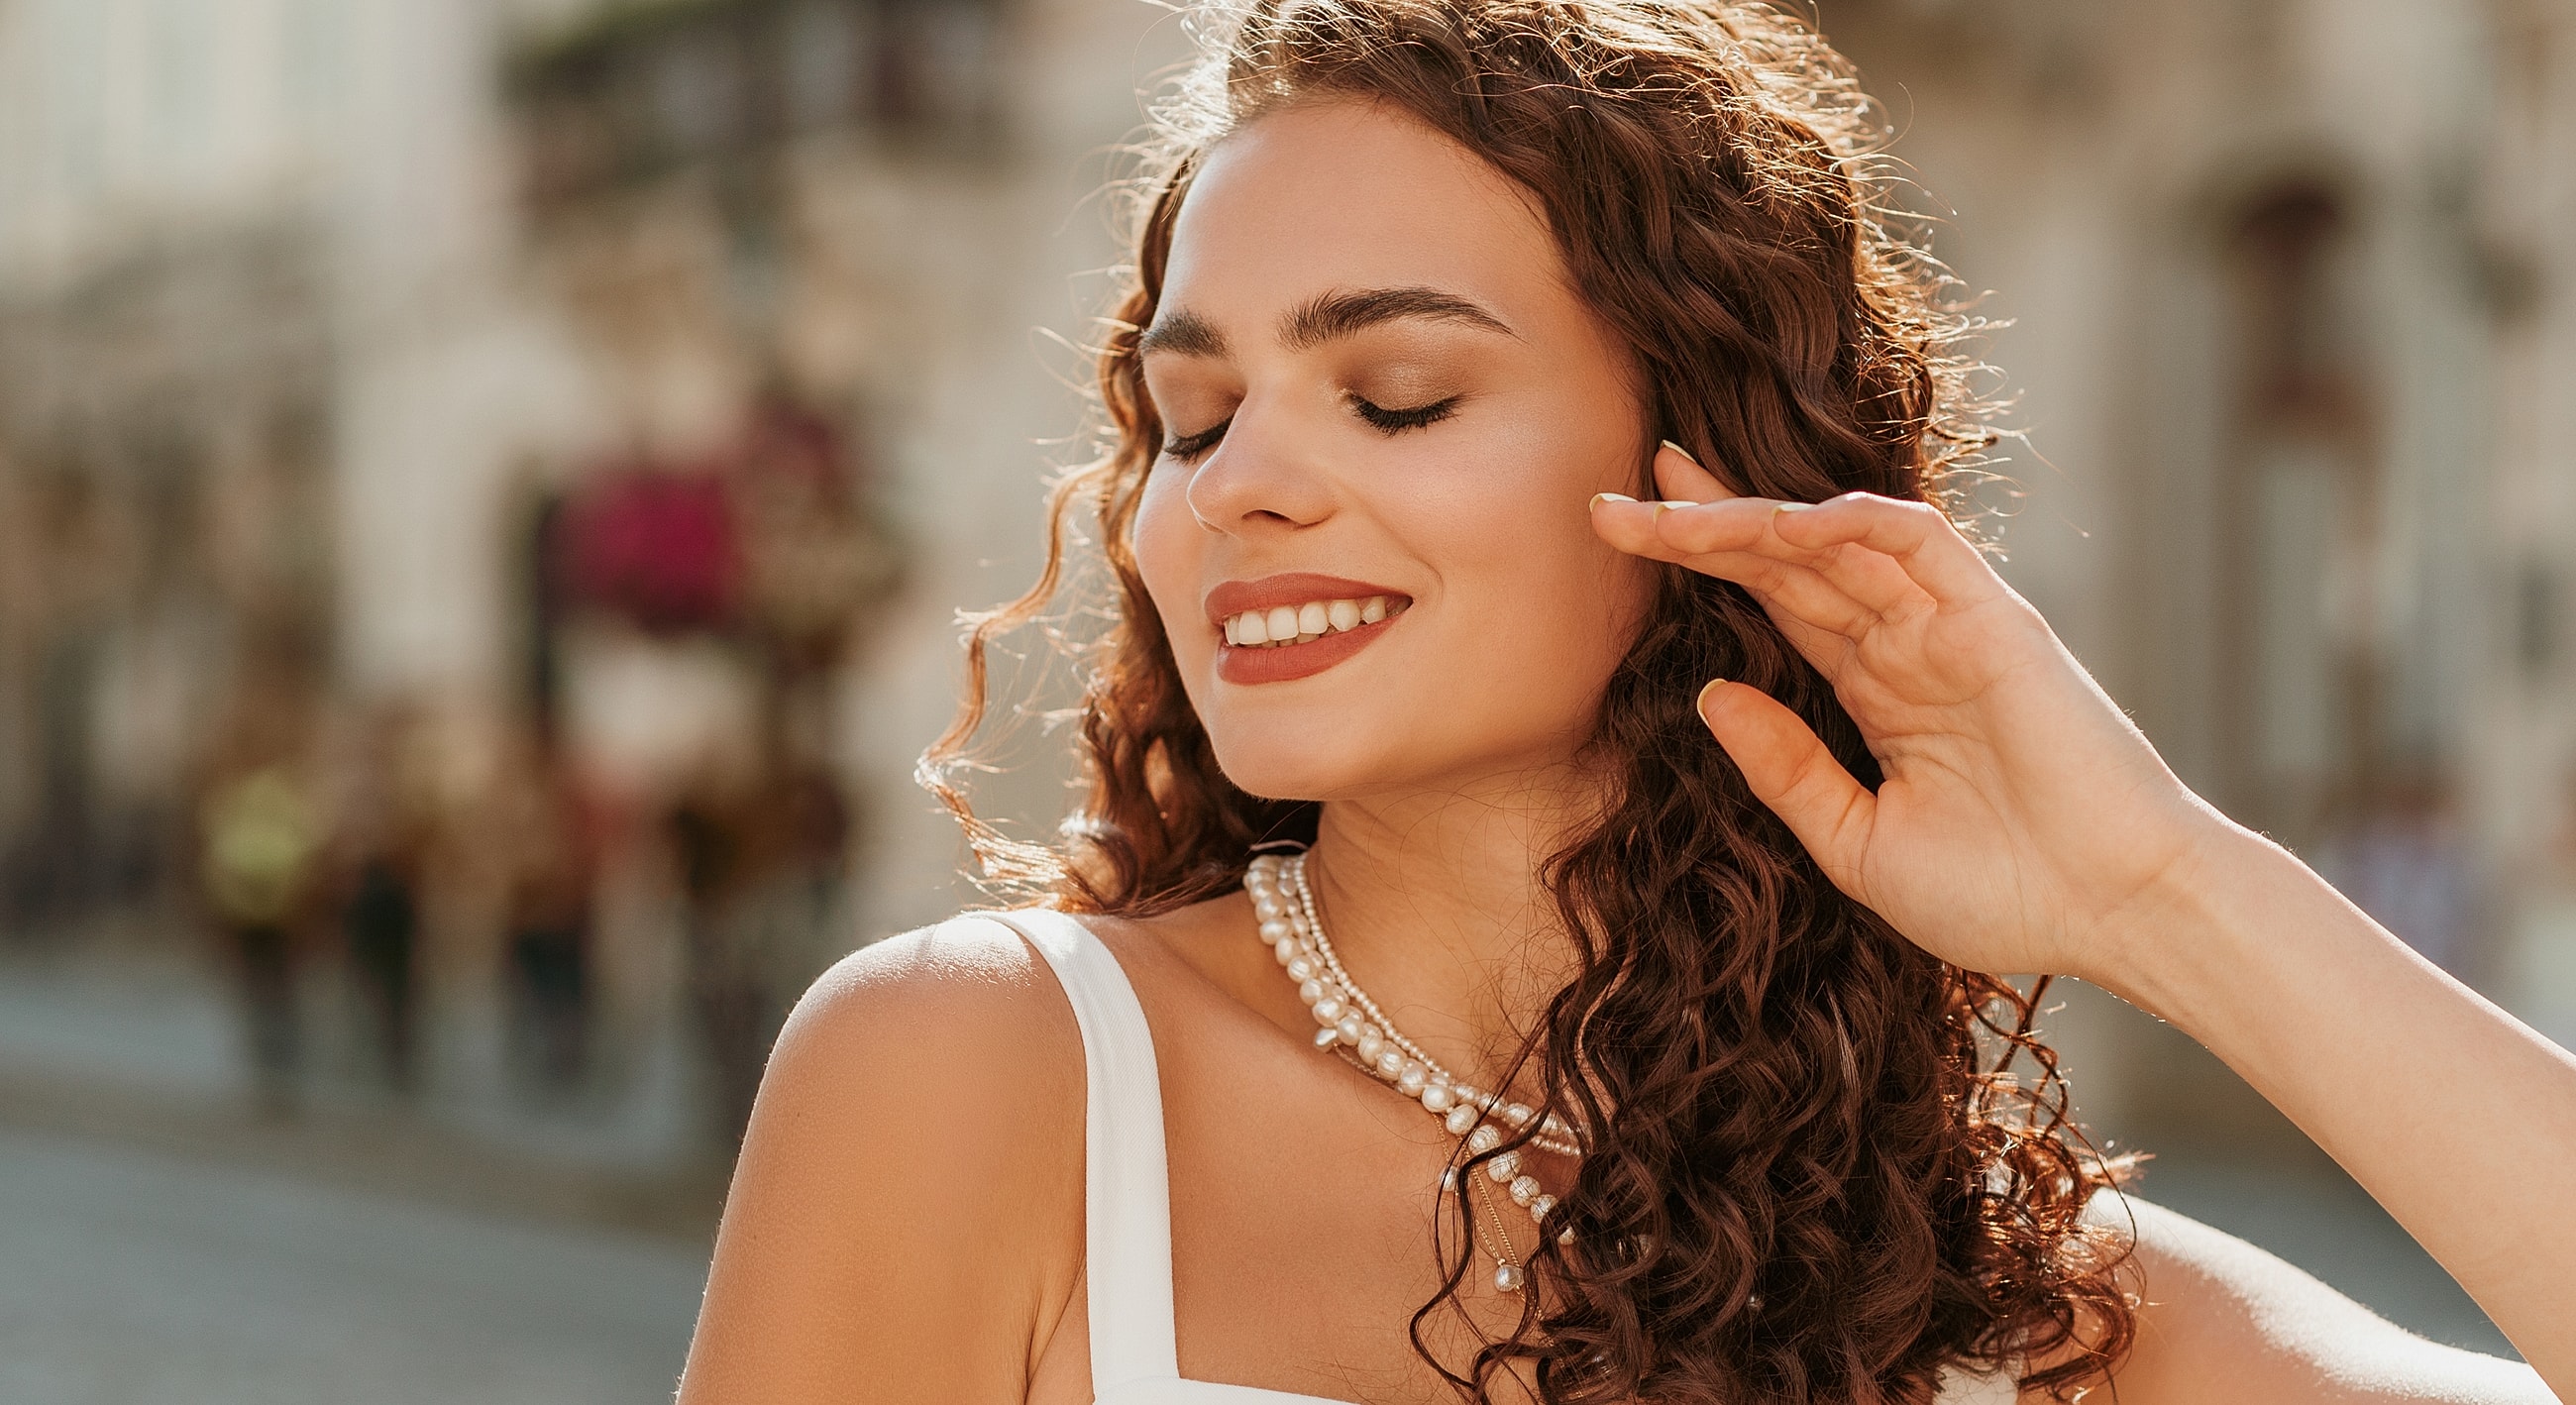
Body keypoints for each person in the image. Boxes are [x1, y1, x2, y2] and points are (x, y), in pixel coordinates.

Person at [679, 2, 2574, 1401]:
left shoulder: (2013, 1295)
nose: (1236, 483)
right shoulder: (993, 1072)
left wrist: (2162, 889)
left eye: (1397, 392)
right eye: (1192, 413)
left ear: (1708, 461)